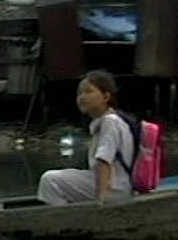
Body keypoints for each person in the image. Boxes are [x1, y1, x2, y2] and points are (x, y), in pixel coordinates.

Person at [37, 70, 135, 205]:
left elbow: (104, 161)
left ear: (106, 96)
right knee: (59, 177)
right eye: (79, 93)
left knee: (49, 180)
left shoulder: (110, 122)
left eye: (88, 91)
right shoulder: (108, 121)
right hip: (117, 185)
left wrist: (100, 200)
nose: (82, 97)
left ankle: (63, 222)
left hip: (114, 189)